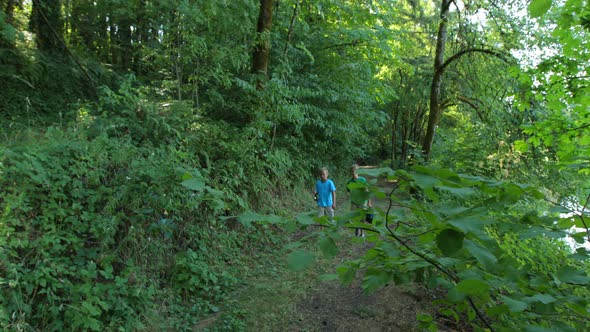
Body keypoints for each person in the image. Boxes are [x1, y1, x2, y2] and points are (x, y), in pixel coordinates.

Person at [347, 164, 372, 237]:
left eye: (355, 171)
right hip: (354, 202)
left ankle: (362, 232)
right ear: (350, 172)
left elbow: (367, 192)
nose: (353, 173)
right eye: (352, 171)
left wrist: (369, 202)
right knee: (354, 217)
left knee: (363, 217)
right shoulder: (349, 182)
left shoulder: (362, 180)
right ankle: (357, 229)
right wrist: (348, 194)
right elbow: (348, 191)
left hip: (363, 201)